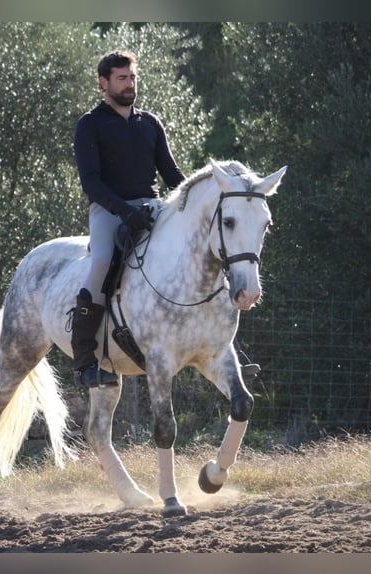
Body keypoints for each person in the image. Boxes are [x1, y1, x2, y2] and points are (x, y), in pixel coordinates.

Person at [69, 50, 259, 388]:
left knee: (202, 251)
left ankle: (227, 348)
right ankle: (84, 358)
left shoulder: (150, 123)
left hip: (153, 207)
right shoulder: (90, 124)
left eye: (133, 77)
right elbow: (91, 183)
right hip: (110, 210)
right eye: (122, 78)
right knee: (100, 261)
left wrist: (193, 202)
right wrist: (125, 211)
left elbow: (172, 174)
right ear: (103, 82)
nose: (130, 84)